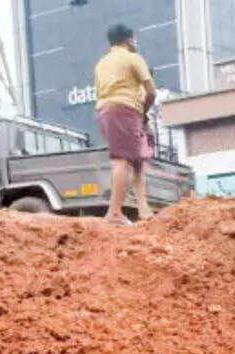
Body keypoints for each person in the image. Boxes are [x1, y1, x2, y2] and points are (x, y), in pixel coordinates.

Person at [94, 24, 157, 225]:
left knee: (136, 160)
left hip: (106, 112)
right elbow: (151, 91)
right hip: (125, 111)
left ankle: (143, 209)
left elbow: (100, 93)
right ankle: (114, 213)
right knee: (122, 161)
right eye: (135, 39)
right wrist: (144, 111)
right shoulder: (133, 58)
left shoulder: (101, 64)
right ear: (129, 39)